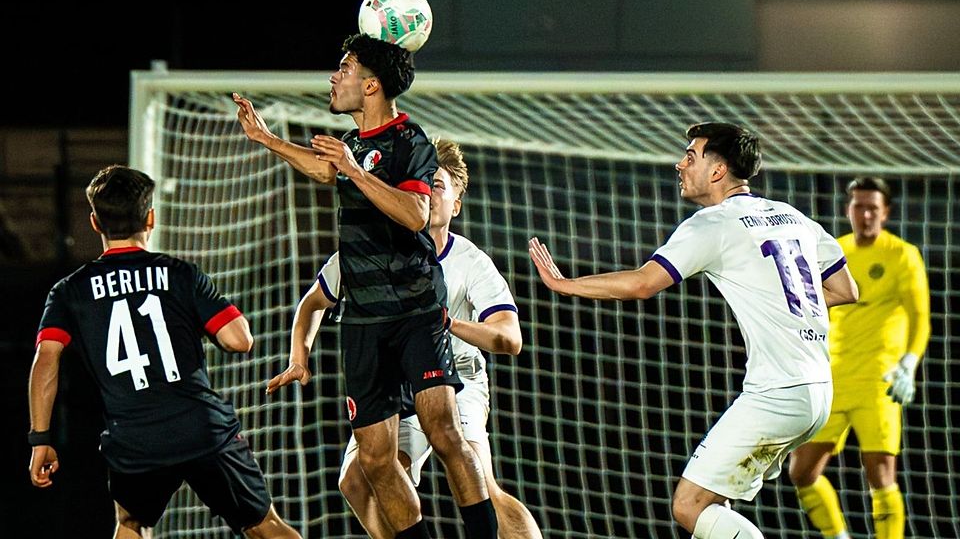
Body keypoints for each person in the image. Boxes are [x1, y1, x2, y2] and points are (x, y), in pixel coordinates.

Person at [528, 122, 860, 539]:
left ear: (718, 170)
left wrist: (565, 284)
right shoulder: (794, 217)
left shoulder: (713, 223)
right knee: (713, 505)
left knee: (689, 506)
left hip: (777, 392)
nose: (679, 164)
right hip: (818, 391)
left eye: (690, 156)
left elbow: (643, 283)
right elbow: (846, 290)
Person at [235, 34, 496, 539]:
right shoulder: (352, 144)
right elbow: (323, 168)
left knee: (444, 431)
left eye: (345, 68)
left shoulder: (410, 141)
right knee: (373, 462)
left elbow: (415, 213)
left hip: (415, 312)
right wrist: (267, 139)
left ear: (371, 85)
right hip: (363, 322)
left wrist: (354, 171)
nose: (334, 78)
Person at [266, 138, 543, 539]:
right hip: (399, 385)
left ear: (456, 205)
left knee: (477, 473)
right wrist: (299, 357)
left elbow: (509, 338)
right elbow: (312, 303)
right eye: (422, 182)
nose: (428, 191)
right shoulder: (370, 250)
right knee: (357, 479)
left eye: (438, 185)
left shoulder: (471, 263)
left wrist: (446, 324)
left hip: (458, 380)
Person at [27, 165, 300, 539]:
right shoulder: (181, 274)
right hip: (200, 428)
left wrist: (40, 439)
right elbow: (239, 340)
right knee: (263, 526)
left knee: (130, 525)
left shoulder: (69, 291)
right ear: (150, 218)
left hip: (136, 438)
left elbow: (45, 361)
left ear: (95, 222)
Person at [788, 176, 930, 539]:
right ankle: (837, 536)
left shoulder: (902, 255)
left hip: (878, 382)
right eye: (859, 206)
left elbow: (920, 318)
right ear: (848, 209)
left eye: (873, 208)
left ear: (886, 213)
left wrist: (909, 365)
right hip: (833, 378)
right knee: (801, 472)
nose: (865, 215)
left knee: (881, 475)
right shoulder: (833, 250)